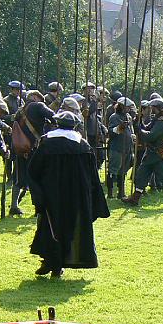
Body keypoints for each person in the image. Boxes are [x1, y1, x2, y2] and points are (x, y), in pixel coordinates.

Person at [28, 110, 110, 278]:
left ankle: (52, 262)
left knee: (49, 228)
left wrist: (39, 195)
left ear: (57, 124)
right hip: (76, 196)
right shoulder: (83, 146)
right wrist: (92, 198)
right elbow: (92, 176)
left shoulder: (46, 143)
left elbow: (33, 170)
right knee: (71, 228)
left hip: (51, 194)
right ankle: (55, 263)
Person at [123, 98, 163, 208]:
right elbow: (146, 129)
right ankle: (135, 198)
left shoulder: (162, 121)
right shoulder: (156, 119)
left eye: (152, 107)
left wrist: (140, 130)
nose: (150, 109)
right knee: (141, 175)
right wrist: (137, 123)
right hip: (150, 154)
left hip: (158, 154)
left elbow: (150, 136)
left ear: (156, 108)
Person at [9, 90, 55, 215]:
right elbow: (53, 115)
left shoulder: (21, 110)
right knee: (37, 177)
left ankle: (14, 205)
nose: (42, 102)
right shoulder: (37, 105)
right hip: (35, 149)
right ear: (34, 97)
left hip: (21, 149)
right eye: (40, 98)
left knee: (19, 178)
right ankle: (38, 209)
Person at [106, 97, 135, 200]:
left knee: (123, 171)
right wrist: (120, 128)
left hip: (127, 148)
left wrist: (132, 136)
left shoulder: (128, 117)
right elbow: (111, 132)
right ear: (122, 106)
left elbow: (130, 130)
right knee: (113, 170)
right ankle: (110, 192)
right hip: (117, 148)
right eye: (127, 107)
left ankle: (121, 192)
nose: (128, 109)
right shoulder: (114, 117)